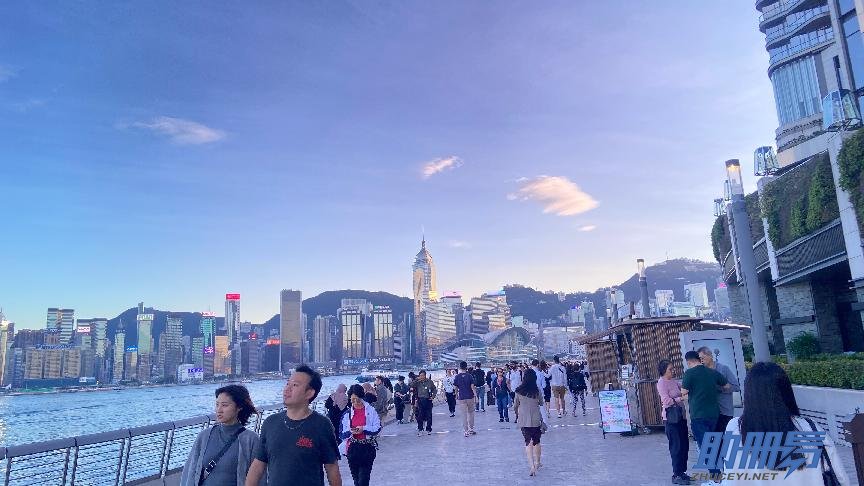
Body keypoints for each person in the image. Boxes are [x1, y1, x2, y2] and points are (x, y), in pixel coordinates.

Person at [720, 362, 851, 486]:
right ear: (787, 392)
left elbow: (730, 477)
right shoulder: (811, 429)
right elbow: (841, 478)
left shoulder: (735, 428)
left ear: (749, 395)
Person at [245, 366, 341, 486]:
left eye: (295, 385)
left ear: (309, 393)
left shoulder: (322, 425)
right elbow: (258, 465)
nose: (287, 389)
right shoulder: (270, 422)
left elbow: (332, 467)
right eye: (287, 384)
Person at [181, 385, 262, 486]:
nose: (219, 410)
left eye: (224, 405)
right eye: (217, 404)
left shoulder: (251, 439)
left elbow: (259, 477)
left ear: (239, 407)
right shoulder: (204, 436)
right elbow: (190, 471)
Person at [681, 350, 729, 477]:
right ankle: (721, 471)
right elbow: (727, 386)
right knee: (714, 443)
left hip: (698, 415)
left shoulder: (689, 373)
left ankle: (716, 476)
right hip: (714, 415)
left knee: (705, 447)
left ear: (689, 362)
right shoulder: (712, 372)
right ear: (699, 359)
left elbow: (683, 392)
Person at [656, 359, 691, 486]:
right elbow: (666, 400)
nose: (672, 371)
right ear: (663, 371)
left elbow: (683, 389)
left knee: (684, 445)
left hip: (681, 417)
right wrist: (681, 398)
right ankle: (676, 474)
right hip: (671, 419)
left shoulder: (673, 381)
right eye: (670, 369)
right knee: (676, 446)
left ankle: (682, 472)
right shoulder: (661, 383)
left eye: (672, 368)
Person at [340, 384, 382, 486]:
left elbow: (377, 428)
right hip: (353, 448)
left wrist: (364, 429)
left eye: (357, 399)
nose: (355, 402)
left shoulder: (371, 410)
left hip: (367, 447)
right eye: (352, 400)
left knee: (363, 480)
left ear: (361, 397)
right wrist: (350, 431)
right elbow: (341, 434)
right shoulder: (347, 414)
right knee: (356, 480)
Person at [697, 346, 740, 434]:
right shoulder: (702, 372)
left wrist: (719, 388)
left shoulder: (723, 369)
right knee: (713, 439)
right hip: (709, 413)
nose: (701, 361)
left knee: (725, 438)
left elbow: (736, 387)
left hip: (724, 411)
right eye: (699, 359)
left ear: (710, 356)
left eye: (702, 358)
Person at [514, 368, 544, 477]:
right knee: (537, 441)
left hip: (523, 419)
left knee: (528, 442)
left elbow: (515, 405)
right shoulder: (536, 390)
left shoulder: (518, 391)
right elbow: (541, 403)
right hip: (536, 419)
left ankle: (531, 466)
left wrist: (517, 414)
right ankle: (538, 462)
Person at [453, 361, 477, 436]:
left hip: (462, 397)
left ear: (460, 367)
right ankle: (471, 429)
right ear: (466, 367)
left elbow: (455, 387)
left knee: (464, 414)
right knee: (471, 413)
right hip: (470, 397)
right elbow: (472, 387)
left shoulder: (457, 377)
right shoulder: (469, 376)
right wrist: (476, 396)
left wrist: (456, 395)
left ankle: (466, 431)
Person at [414, 369, 437, 436]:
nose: (421, 377)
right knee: (420, 415)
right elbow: (410, 385)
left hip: (428, 400)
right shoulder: (417, 382)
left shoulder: (429, 382)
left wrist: (433, 396)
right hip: (420, 400)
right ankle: (420, 429)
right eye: (420, 375)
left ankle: (428, 429)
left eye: (422, 375)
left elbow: (434, 389)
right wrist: (416, 380)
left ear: (425, 375)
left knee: (429, 415)